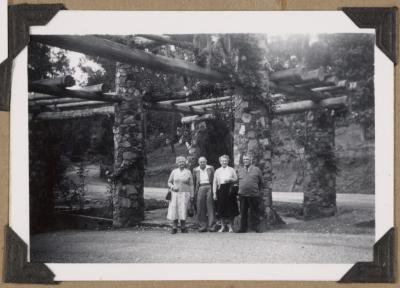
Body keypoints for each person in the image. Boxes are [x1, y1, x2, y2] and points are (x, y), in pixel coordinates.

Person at [236, 154, 264, 233]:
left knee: (255, 212)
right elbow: (237, 182)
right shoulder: (239, 170)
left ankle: (256, 227)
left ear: (251, 160)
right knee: (243, 212)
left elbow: (261, 182)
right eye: (244, 159)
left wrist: (258, 191)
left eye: (247, 159)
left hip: (254, 195)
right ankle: (243, 228)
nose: (245, 161)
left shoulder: (257, 170)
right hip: (242, 195)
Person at [167, 156, 194, 234]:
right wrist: (172, 187)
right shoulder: (174, 172)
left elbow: (191, 184)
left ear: (185, 163)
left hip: (185, 194)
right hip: (175, 194)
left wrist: (192, 195)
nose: (181, 163)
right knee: (174, 209)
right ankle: (174, 227)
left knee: (183, 209)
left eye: (182, 162)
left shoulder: (188, 172)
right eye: (179, 162)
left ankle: (183, 227)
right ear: (177, 163)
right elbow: (169, 182)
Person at [213, 154, 239, 233]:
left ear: (228, 161)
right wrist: (214, 193)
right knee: (221, 208)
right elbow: (214, 182)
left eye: (225, 161)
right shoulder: (217, 171)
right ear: (220, 162)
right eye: (222, 161)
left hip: (230, 189)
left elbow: (236, 179)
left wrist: (230, 179)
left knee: (230, 208)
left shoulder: (231, 169)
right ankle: (223, 226)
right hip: (221, 190)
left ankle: (231, 226)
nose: (224, 162)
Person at [193, 157, 215, 232]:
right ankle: (202, 226)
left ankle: (212, 226)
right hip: (200, 187)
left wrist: (214, 189)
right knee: (200, 207)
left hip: (209, 186)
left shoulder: (211, 168)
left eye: (203, 162)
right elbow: (194, 181)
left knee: (210, 207)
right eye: (201, 162)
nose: (202, 163)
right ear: (198, 162)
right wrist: (195, 192)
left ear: (206, 161)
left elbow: (214, 179)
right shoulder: (195, 170)